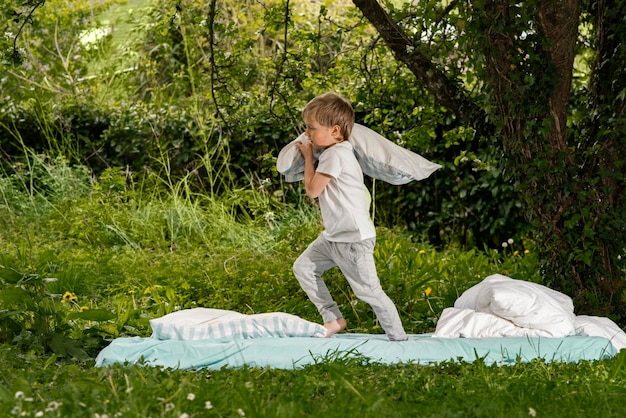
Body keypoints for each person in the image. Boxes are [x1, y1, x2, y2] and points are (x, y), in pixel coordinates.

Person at [292, 92, 408, 341]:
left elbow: (312, 190)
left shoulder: (337, 154)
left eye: (312, 128)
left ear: (335, 131)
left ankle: (399, 339)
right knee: (304, 267)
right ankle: (333, 319)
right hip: (333, 237)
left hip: (354, 240)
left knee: (369, 292)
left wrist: (308, 158)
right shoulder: (335, 151)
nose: (307, 133)